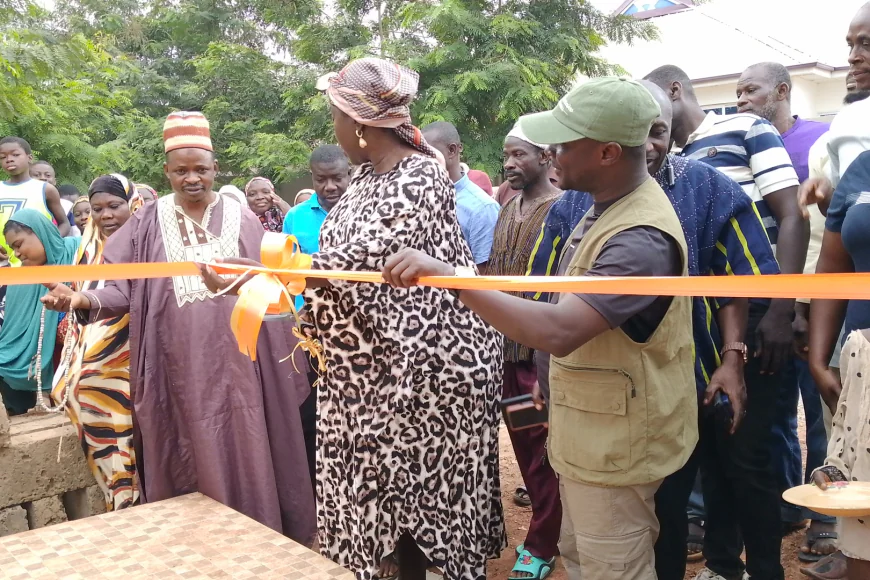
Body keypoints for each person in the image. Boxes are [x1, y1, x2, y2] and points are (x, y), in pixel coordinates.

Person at [386, 77, 697, 580]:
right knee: (584, 559)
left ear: (608, 152)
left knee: (612, 567)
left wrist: (451, 280)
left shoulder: (640, 236)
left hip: (616, 448)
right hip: (592, 433)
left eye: (565, 142)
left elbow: (559, 329)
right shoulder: (606, 210)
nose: (552, 153)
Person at [224, 57, 506, 580]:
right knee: (377, 501)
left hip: (425, 374)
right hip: (367, 370)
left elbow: (371, 255)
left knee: (424, 501)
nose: (331, 124)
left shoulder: (420, 173)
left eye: (334, 113)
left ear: (357, 123)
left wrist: (262, 270)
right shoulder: (363, 180)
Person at [527, 80, 780, 580]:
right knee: (661, 513)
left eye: (659, 131)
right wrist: (547, 377)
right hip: (625, 393)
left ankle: (740, 568)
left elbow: (741, 280)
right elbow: (546, 293)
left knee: (739, 480)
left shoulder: (703, 192)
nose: (652, 144)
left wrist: (733, 358)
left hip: (697, 372)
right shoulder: (576, 204)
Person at [40, 111, 316, 543]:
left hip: (243, 367)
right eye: (181, 170)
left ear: (215, 169)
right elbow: (121, 290)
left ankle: (259, 538)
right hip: (176, 369)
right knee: (190, 448)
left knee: (249, 440)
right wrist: (81, 299)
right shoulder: (146, 223)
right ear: (166, 171)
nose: (192, 179)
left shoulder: (242, 218)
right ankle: (198, 543)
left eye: (201, 169)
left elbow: (270, 289)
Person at [646, 64, 806, 580]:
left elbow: (790, 214)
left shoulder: (746, 127)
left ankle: (763, 569)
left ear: (673, 92)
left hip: (755, 307)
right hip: (697, 319)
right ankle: (720, 565)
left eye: (651, 116)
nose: (645, 132)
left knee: (748, 455)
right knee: (705, 454)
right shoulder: (671, 161)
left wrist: (782, 305)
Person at [736, 61, 837, 561]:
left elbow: (817, 225)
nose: (742, 98)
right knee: (774, 412)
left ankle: (826, 514)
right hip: (774, 305)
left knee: (820, 413)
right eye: (737, 90)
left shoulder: (820, 140)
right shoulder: (738, 141)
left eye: (750, 89)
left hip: (822, 299)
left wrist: (800, 301)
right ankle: (782, 507)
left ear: (781, 90)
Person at [480, 121, 563, 579]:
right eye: (506, 156)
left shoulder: (564, 209)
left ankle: (543, 543)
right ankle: (551, 533)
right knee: (528, 452)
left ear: (547, 158)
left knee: (545, 454)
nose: (510, 164)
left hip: (541, 361)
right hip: (509, 358)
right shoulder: (507, 207)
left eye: (520, 155)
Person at [51, 174, 144, 511]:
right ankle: (116, 490)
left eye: (115, 206)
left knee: (93, 387)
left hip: (136, 347)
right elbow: (81, 302)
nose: (106, 215)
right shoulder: (89, 249)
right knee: (66, 388)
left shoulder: (145, 243)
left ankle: (126, 495)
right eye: (97, 209)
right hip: (98, 339)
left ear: (133, 205)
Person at [808, 150, 870, 580]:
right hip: (865, 365)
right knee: (864, 528)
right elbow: (833, 264)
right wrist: (819, 356)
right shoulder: (863, 167)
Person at [0, 209, 79, 415]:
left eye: (18, 245)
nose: (16, 254)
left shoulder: (79, 253)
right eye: (12, 248)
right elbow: (11, 336)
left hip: (79, 355)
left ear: (40, 232)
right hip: (29, 362)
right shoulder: (20, 280)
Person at [422, 121, 499, 267]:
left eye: (427, 153)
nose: (420, 161)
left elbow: (484, 277)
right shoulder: (418, 199)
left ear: (452, 150)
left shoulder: (482, 209)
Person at [0, 137, 70, 263]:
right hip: (3, 264)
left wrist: (48, 244)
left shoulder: (45, 189)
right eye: (3, 157)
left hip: (37, 265)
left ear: (30, 158)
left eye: (15, 154)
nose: (9, 159)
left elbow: (64, 223)